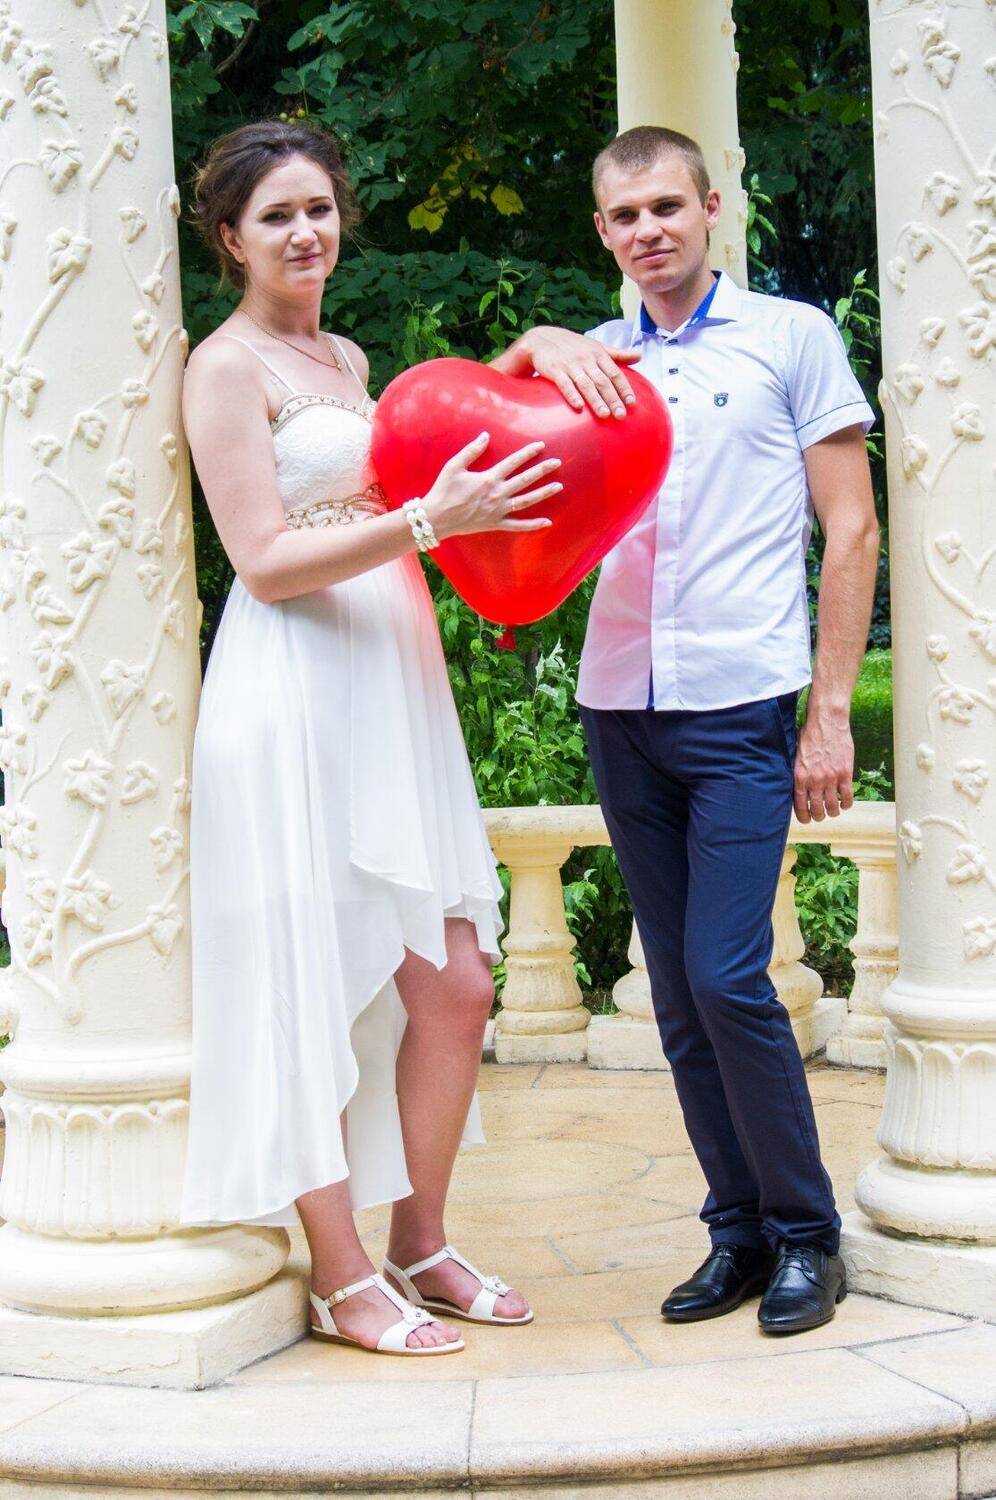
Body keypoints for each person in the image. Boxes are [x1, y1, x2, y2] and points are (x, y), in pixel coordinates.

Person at [176, 119, 597, 1356]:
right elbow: (263, 559)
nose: (305, 231)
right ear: (230, 239)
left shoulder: (347, 357)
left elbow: (421, 456)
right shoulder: (224, 368)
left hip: (390, 683)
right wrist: (425, 526)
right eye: (276, 216)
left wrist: (530, 350)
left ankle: (422, 1236)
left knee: (457, 984)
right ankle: (341, 1270)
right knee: (310, 979)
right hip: (294, 687)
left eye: (318, 207)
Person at [502, 126, 878, 1335]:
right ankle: (739, 1233)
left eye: (667, 205)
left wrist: (829, 714)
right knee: (673, 994)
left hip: (740, 701)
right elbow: (471, 426)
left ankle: (809, 1236)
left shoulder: (790, 338)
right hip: (620, 703)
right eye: (624, 216)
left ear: (714, 208)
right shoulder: (591, 361)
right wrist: (539, 341)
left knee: (726, 974)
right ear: (602, 232)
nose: (647, 230)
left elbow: (852, 528)